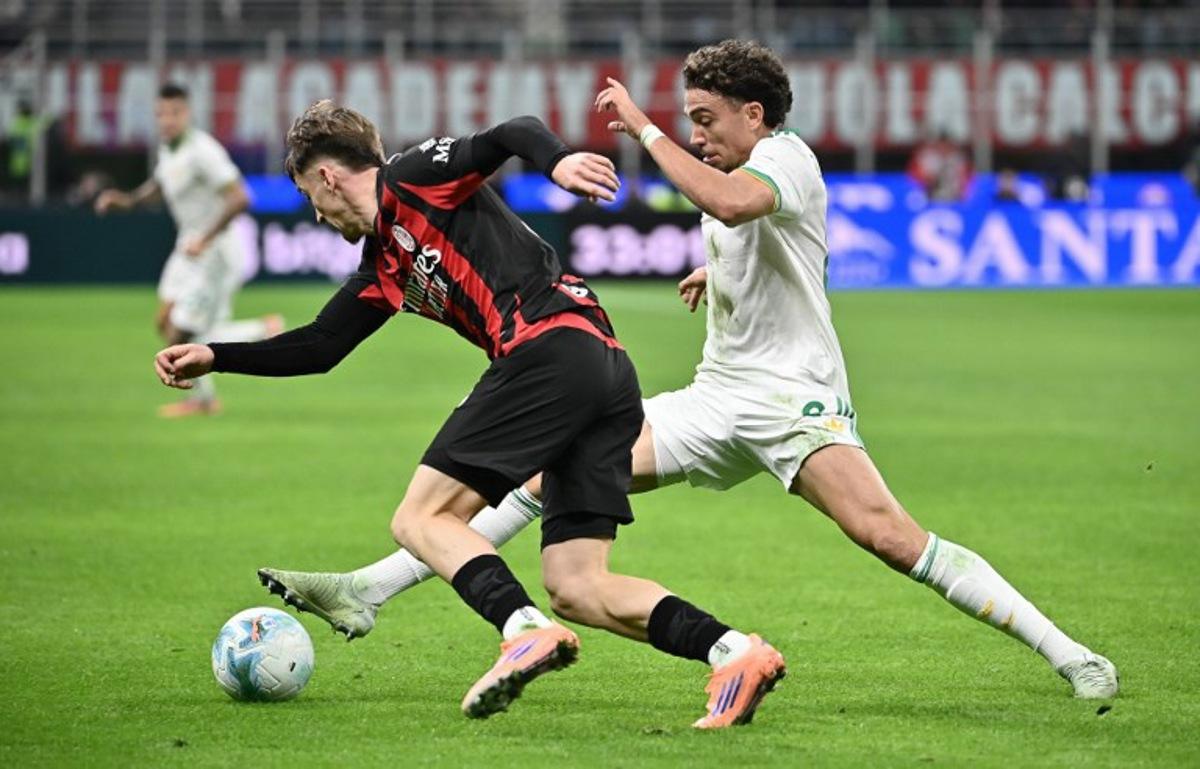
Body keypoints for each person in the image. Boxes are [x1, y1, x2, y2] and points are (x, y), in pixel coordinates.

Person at [262, 41, 1119, 702]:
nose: (699, 133)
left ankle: (1072, 653)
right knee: (539, 472)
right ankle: (371, 586)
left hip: (794, 404)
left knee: (892, 538)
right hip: (715, 401)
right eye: (690, 119)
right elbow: (757, 238)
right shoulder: (731, 171)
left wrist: (645, 130)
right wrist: (722, 274)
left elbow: (739, 205)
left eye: (707, 118)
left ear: (755, 115)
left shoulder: (783, 159)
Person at [154, 100, 786, 728]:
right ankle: (734, 653)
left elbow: (511, 133)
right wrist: (215, 355)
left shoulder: (412, 177)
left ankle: (520, 629)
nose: (315, 215)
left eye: (308, 195)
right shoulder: (384, 267)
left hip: (548, 346)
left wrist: (559, 164)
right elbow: (320, 347)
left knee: (421, 516)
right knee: (578, 585)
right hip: (601, 367)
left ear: (325, 176)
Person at [97, 83, 282, 417]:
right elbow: (160, 185)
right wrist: (125, 201)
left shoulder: (203, 151)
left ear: (188, 113)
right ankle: (213, 387)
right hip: (188, 247)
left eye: (174, 113)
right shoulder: (170, 149)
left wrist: (206, 237)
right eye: (161, 114)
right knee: (165, 321)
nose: (167, 120)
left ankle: (249, 345)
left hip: (212, 251)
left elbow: (240, 197)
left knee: (186, 330)